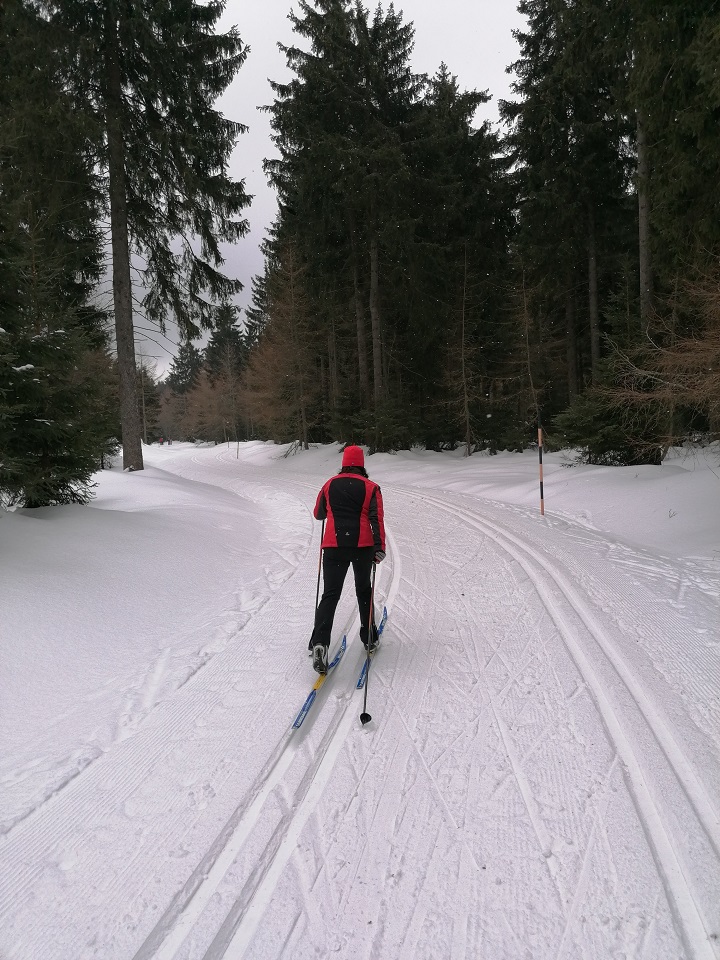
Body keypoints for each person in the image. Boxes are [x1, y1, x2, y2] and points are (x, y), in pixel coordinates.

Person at [309, 445, 386, 674]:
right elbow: (377, 519)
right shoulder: (371, 488)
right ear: (362, 464)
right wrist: (379, 547)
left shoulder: (329, 484)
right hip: (362, 546)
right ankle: (369, 637)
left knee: (330, 594)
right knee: (363, 590)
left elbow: (318, 514)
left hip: (334, 545)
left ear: (343, 463)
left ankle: (320, 642)